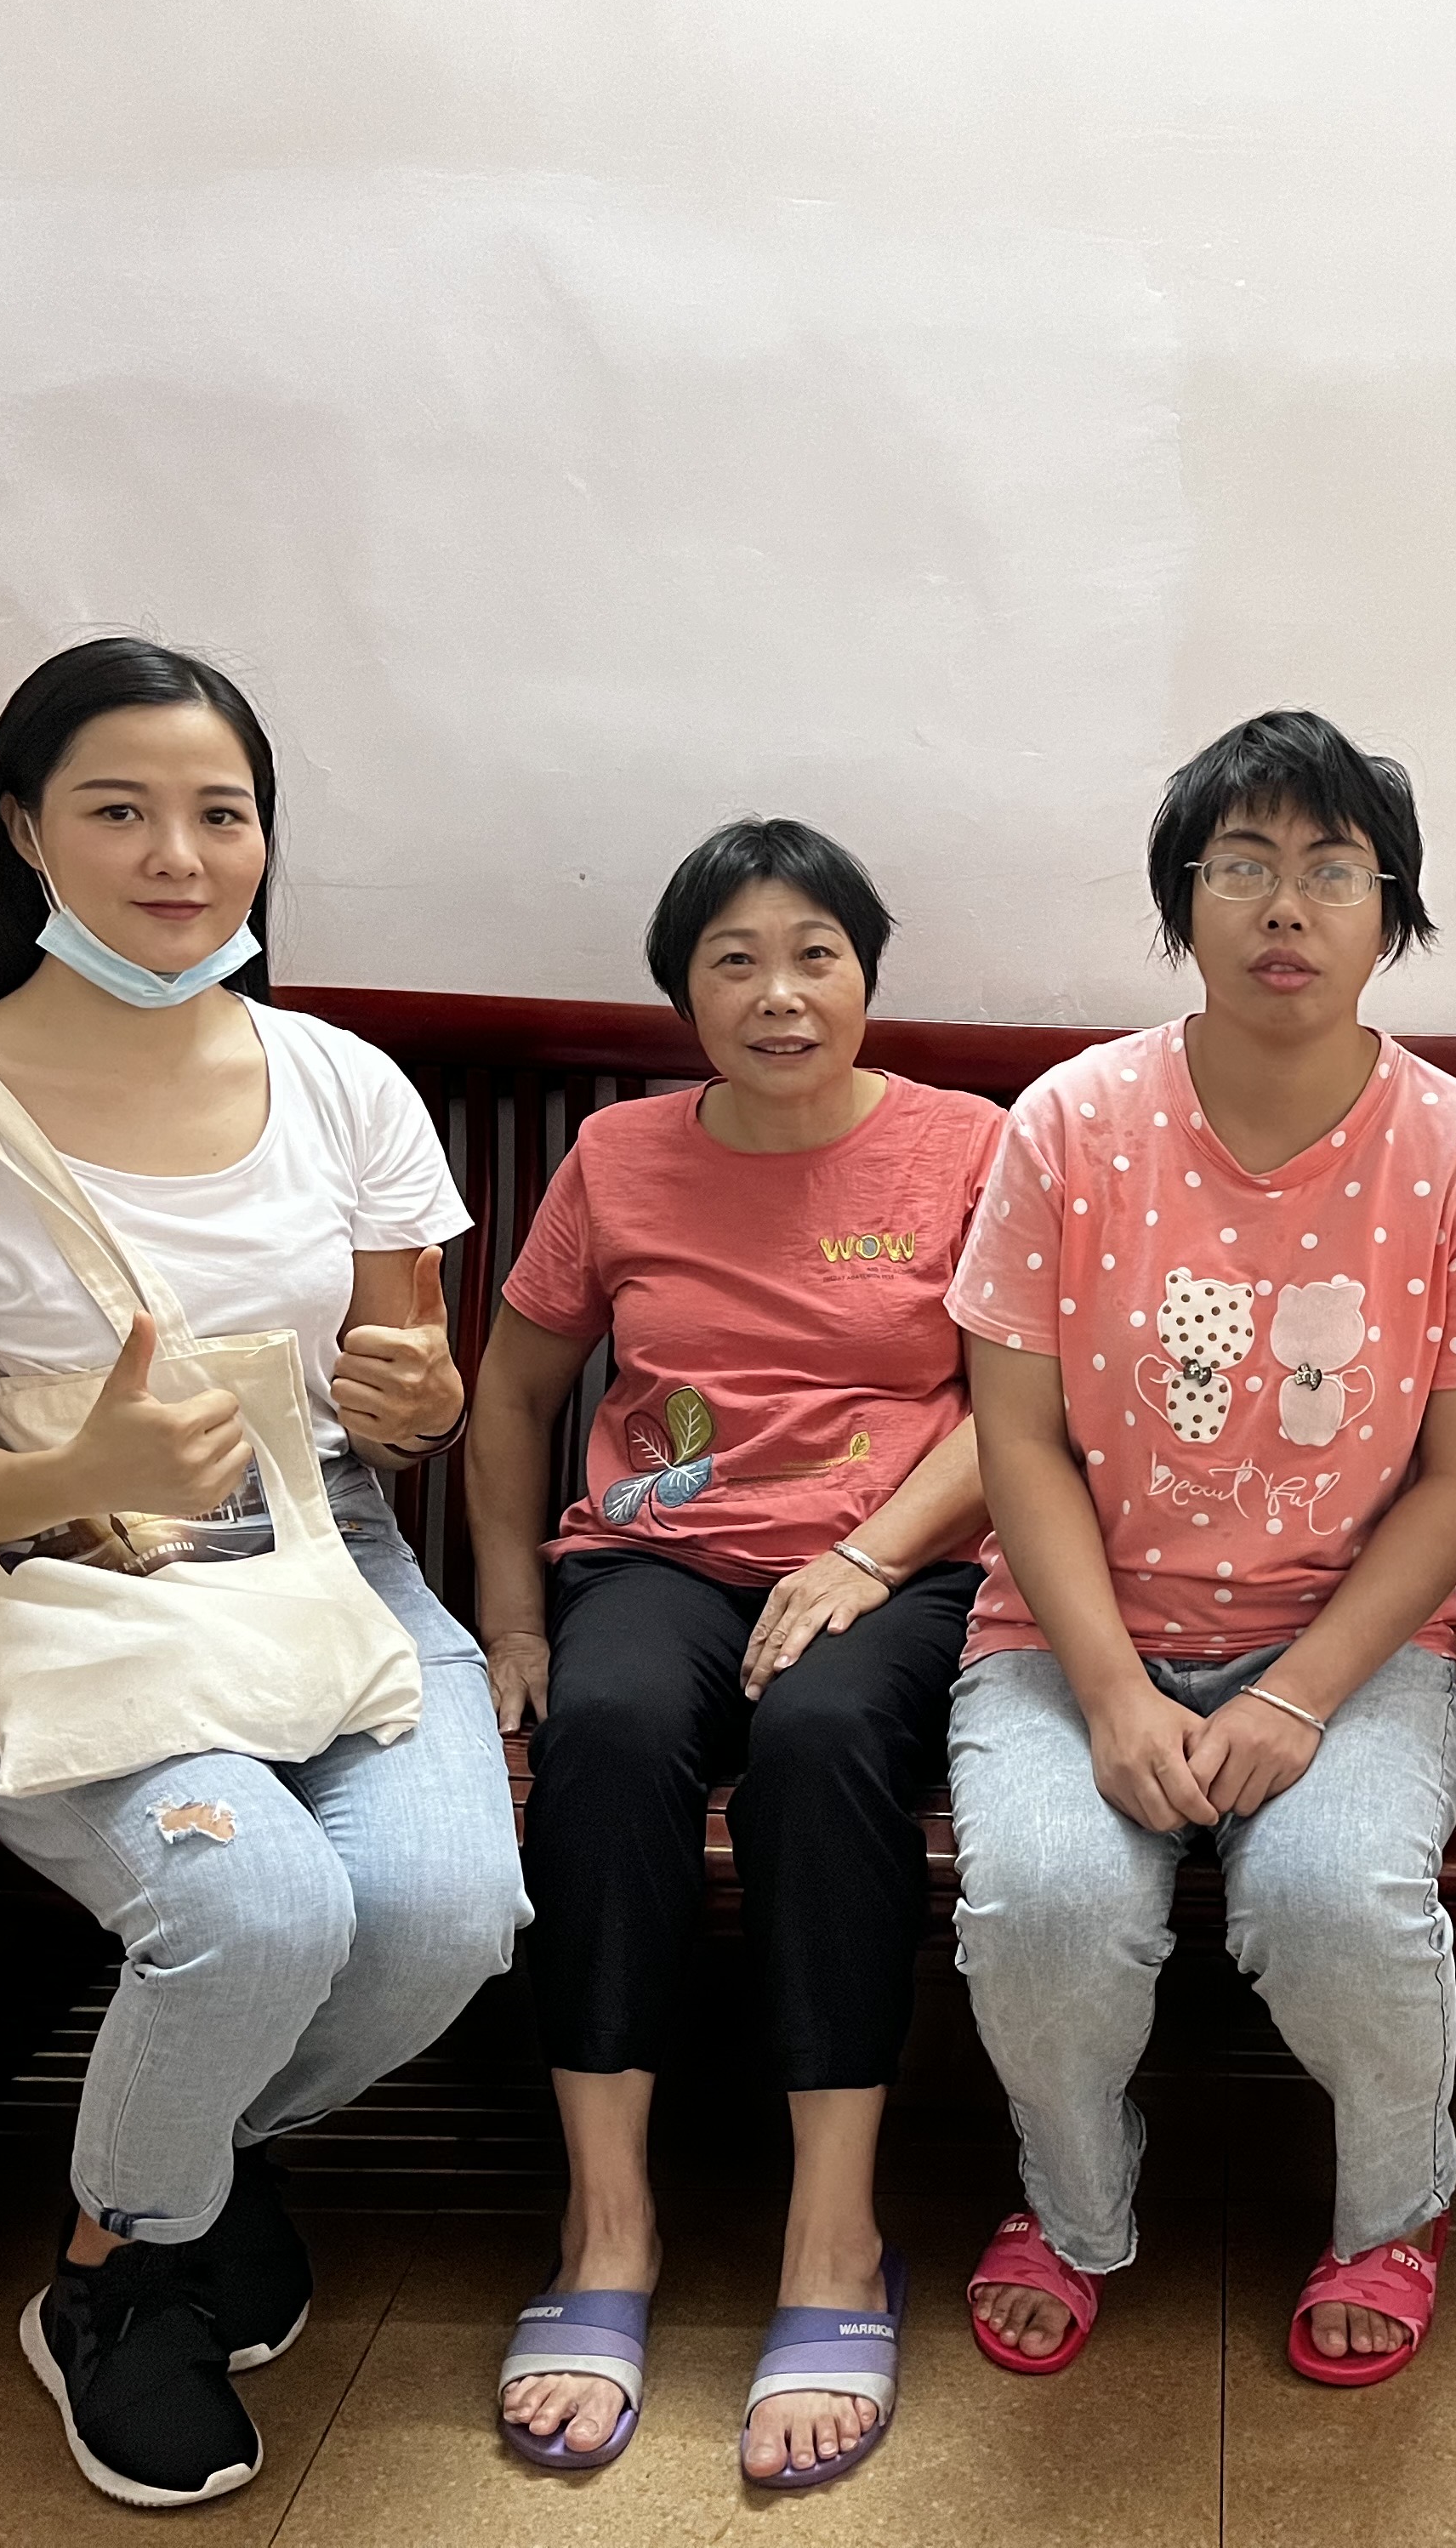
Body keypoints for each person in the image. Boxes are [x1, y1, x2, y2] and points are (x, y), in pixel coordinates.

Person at [0, 640, 528, 2510]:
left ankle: (163, 2187)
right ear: (23, 830)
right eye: (119, 809)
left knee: (452, 1910)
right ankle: (122, 2279)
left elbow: (406, 1394)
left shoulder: (340, 1081)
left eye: (222, 812)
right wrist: (90, 1469)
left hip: (330, 1561)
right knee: (259, 1917)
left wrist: (426, 1398)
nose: (179, 857)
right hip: (66, 1581)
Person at [941, 710, 1456, 2388]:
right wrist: (1108, 1692)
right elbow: (1016, 1440)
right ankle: (1076, 2207)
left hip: (1350, 1646)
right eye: (1241, 867)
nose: (1286, 905)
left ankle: (1392, 2215)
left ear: (1390, 911)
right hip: (1070, 1635)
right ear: (1184, 902)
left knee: (1339, 1903)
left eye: (1332, 870)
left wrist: (1295, 1696)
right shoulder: (1069, 1124)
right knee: (1047, 1904)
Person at [469, 818, 1001, 2488]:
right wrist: (512, 1619)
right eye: (737, 962)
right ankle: (607, 2226)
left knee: (822, 1743)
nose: (781, 995)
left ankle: (833, 2241)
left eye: (815, 956)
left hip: (894, 1561)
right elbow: (513, 1393)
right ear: (684, 994)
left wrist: (868, 1553)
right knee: (613, 1734)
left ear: (866, 976)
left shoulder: (969, 1147)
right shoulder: (619, 1158)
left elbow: (1024, 1407)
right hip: (660, 1554)